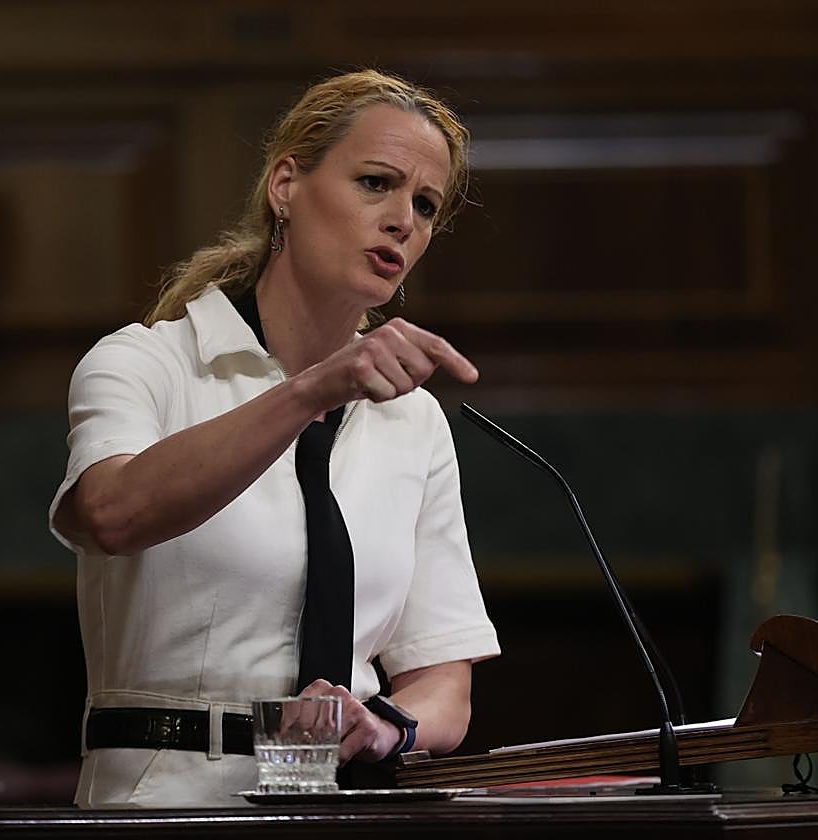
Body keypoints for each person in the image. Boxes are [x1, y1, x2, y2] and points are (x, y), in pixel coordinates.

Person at [49, 69, 499, 808]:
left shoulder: (413, 419)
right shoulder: (147, 361)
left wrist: (386, 727)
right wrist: (314, 389)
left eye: (424, 205)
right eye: (375, 183)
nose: (402, 221)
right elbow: (111, 515)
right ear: (285, 185)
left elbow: (443, 677)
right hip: (166, 806)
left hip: (348, 806)